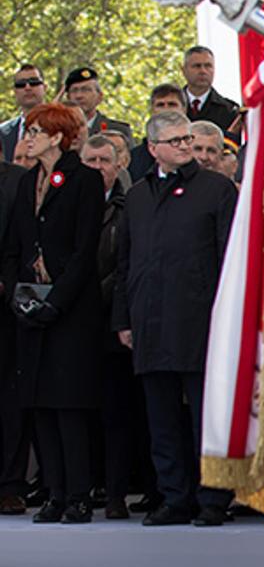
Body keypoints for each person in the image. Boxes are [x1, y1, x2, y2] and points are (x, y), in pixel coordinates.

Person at [111, 110, 236, 527]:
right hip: (150, 318)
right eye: (176, 141)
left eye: (188, 139)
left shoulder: (216, 189)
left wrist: (227, 316)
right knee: (161, 417)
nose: (185, 147)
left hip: (200, 319)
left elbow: (229, 258)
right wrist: (123, 319)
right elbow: (126, 261)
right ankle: (174, 497)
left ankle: (213, 497)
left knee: (206, 416)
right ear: (153, 148)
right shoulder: (139, 196)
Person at [4, 103, 106, 524]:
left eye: (35, 131)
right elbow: (14, 247)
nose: (28, 138)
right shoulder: (27, 181)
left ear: (58, 136)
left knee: (68, 404)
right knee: (40, 404)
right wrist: (19, 295)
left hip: (71, 312)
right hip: (32, 308)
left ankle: (78, 494)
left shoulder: (84, 180)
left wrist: (56, 301)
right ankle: (54, 493)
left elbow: (84, 252)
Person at [83, 134, 143, 520]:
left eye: (104, 161)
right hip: (73, 325)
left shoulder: (129, 205)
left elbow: (124, 265)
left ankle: (116, 492)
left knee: (117, 413)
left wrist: (87, 295)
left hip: (110, 322)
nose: (97, 168)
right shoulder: (66, 203)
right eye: (89, 161)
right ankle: (85, 485)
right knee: (82, 411)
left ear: (119, 164)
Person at [0, 115, 28, 515]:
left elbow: (20, 240)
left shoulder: (16, 181)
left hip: (5, 309)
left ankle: (9, 484)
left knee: (8, 398)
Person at [60, 68, 131, 142]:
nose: (79, 96)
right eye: (74, 90)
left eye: (86, 90)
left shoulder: (118, 130)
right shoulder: (60, 130)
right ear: (68, 97)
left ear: (99, 97)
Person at [179, 47, 239, 130]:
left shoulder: (229, 110)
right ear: (183, 70)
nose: (203, 71)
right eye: (197, 66)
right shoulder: (169, 104)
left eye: (208, 66)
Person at [0, 65, 47, 163]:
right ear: (15, 91)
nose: (27, 87)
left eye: (34, 82)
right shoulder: (2, 132)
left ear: (44, 87)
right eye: (21, 84)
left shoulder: (59, 125)